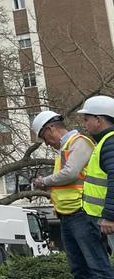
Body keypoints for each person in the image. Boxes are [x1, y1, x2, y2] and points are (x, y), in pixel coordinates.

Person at [30, 110, 100, 278]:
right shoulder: (66, 149)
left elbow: (70, 173)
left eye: (44, 137)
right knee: (79, 268)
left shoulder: (79, 143)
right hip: (67, 215)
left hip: (81, 212)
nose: (46, 143)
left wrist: (44, 182)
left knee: (96, 266)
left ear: (51, 129)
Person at [80, 94, 114, 278]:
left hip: (107, 220)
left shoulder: (110, 143)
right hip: (100, 218)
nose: (84, 125)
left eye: (86, 120)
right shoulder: (105, 142)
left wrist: (109, 216)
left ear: (98, 119)